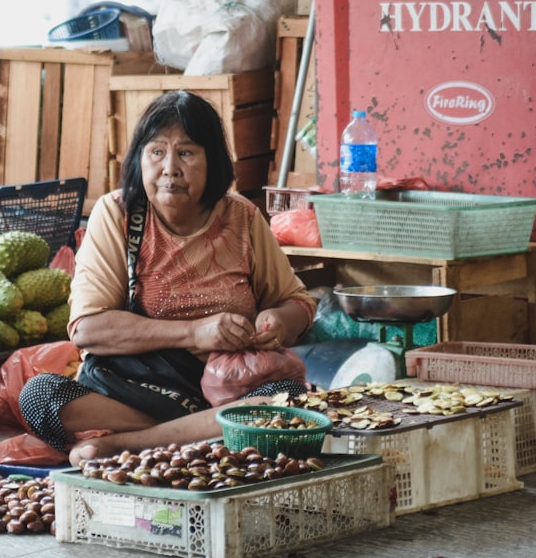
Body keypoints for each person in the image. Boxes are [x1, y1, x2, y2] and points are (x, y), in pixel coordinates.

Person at [18, 90, 317, 466]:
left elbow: (300, 304)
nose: (169, 168)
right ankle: (193, 435)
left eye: (187, 153)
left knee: (287, 397)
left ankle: (130, 446)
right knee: (39, 396)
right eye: (157, 152)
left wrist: (278, 321)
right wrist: (194, 332)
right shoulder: (118, 215)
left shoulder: (241, 218)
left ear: (213, 162)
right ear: (140, 160)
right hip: (132, 390)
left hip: (224, 391)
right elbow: (86, 329)